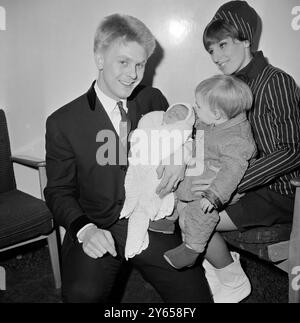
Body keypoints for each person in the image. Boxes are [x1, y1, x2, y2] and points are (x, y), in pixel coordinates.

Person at [44, 13, 212, 303]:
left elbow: (187, 135)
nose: (133, 74)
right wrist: (84, 230)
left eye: (140, 64)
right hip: (96, 223)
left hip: (148, 218)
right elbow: (58, 191)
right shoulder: (62, 122)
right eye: (123, 62)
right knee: (82, 296)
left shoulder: (153, 99)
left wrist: (180, 155)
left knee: (195, 295)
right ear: (99, 57)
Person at [194, 1, 300, 303]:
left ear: (246, 39)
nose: (216, 56)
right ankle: (222, 271)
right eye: (211, 50)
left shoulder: (275, 80)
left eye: (223, 45)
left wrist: (232, 184)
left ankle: (230, 278)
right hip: (244, 185)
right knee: (183, 205)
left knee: (196, 217)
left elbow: (291, 151)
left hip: (280, 192)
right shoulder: (227, 87)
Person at [163, 74, 256, 270]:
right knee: (179, 186)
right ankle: (166, 220)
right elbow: (197, 124)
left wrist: (214, 196)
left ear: (216, 113)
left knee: (199, 211)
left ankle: (192, 249)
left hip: (223, 186)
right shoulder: (214, 120)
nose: (195, 107)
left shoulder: (238, 140)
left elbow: (232, 172)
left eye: (198, 105)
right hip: (207, 167)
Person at [120, 103, 195, 260]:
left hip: (161, 178)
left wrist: (183, 151)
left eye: (179, 114)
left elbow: (193, 142)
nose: (173, 113)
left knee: (155, 194)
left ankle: (155, 222)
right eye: (172, 110)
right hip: (136, 172)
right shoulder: (152, 124)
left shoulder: (181, 133)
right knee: (137, 191)